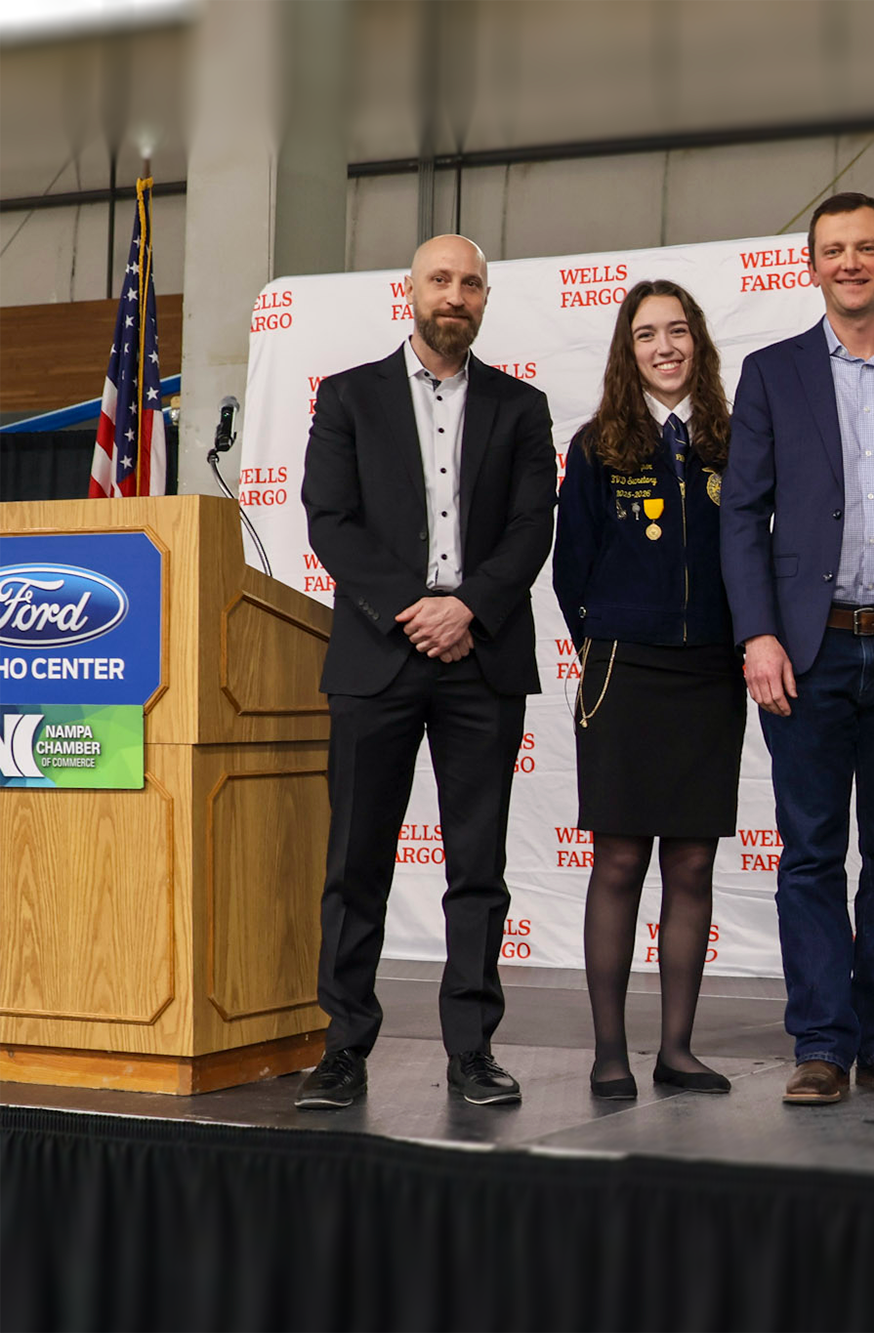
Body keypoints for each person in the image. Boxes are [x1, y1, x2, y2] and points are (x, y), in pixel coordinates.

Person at [295, 234, 556, 1109]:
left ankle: (472, 1049)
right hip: (378, 654)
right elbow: (329, 519)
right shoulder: (348, 397)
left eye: (471, 283)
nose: (456, 295)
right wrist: (415, 609)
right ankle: (343, 1048)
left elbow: (531, 530)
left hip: (481, 656)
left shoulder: (523, 407)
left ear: (486, 299)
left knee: (476, 868)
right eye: (440, 279)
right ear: (409, 292)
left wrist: (466, 609)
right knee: (355, 862)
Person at [719, 192, 874, 1106]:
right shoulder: (771, 374)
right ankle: (821, 1043)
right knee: (812, 856)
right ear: (811, 266)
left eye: (867, 248)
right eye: (833, 250)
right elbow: (741, 515)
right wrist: (757, 635)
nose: (850, 262)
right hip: (807, 655)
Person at [553, 280, 744, 1100]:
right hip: (624, 671)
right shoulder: (597, 444)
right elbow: (569, 572)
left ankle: (677, 1049)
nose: (664, 346)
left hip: (710, 671)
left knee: (694, 863)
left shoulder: (738, 441)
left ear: (698, 342)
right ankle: (608, 1050)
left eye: (677, 331)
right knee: (621, 858)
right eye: (645, 335)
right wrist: (604, 646)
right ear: (626, 353)